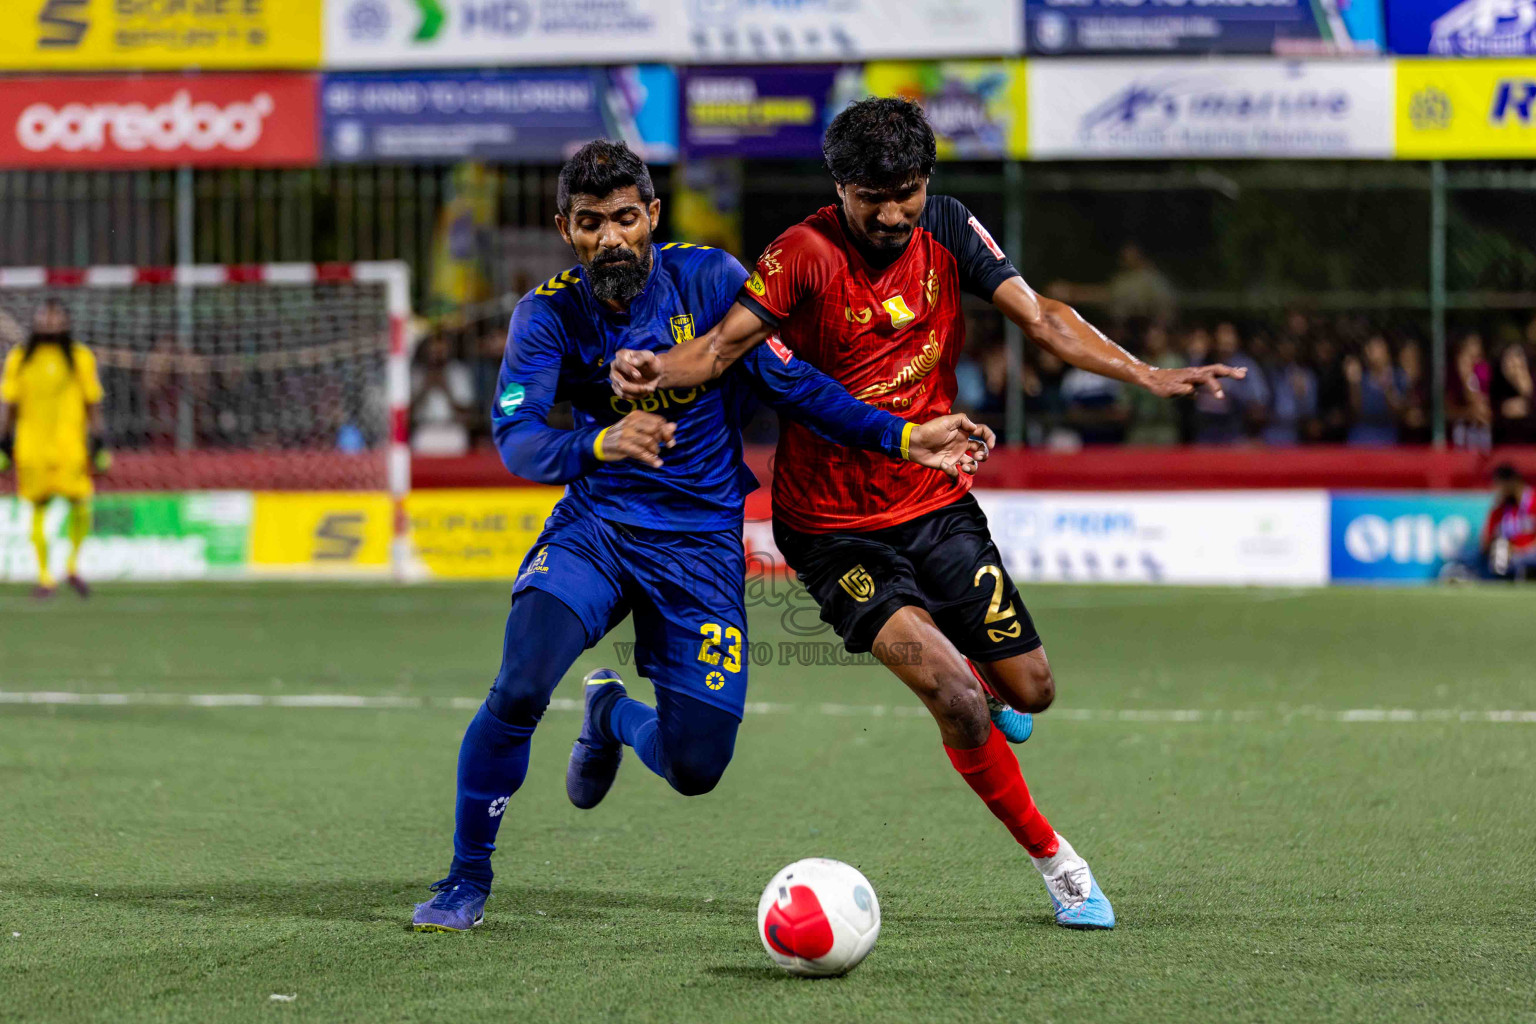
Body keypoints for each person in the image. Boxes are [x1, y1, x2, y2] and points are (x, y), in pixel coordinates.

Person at [612, 98, 1246, 930]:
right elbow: (724, 346)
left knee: (1034, 689)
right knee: (957, 696)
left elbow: (1042, 315)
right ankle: (1059, 864)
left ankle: (993, 687)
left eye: (905, 191)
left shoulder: (947, 226)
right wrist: (655, 369)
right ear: (839, 187)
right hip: (832, 528)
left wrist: (1149, 374)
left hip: (936, 504)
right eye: (870, 196)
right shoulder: (802, 253)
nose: (890, 212)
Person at [409, 140, 991, 933]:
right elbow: (516, 442)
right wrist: (597, 445)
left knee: (696, 766)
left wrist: (902, 436)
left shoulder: (712, 281)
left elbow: (793, 383)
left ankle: (612, 714)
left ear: (651, 215)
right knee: (518, 685)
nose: (609, 237)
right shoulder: (545, 315)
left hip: (702, 548)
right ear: (565, 229)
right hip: (598, 530)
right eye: (589, 224)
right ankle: (465, 879)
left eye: (623, 218)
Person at [0, 300, 110, 598]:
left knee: (82, 503)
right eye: (44, 317)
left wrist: (99, 441)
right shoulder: (20, 358)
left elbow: (92, 402)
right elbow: (9, 404)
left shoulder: (80, 358)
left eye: (55, 317)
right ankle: (45, 576)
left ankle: (72, 566)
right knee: (37, 507)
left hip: (70, 447)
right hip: (32, 447)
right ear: (35, 321)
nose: (50, 323)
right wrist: (3, 443)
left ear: (65, 322)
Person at [1345, 335, 1408, 446]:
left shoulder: (1398, 376)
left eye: (1377, 349)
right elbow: (1356, 411)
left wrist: (1386, 383)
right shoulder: (1362, 378)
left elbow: (1398, 412)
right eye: (1370, 350)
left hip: (1387, 433)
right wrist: (1353, 384)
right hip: (1362, 433)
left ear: (1386, 352)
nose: (1373, 354)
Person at [1480, 464, 1536, 580]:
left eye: (1499, 485)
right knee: (1499, 552)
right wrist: (1502, 546)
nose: (1497, 490)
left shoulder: (1533, 501)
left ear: (1511, 482)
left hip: (1530, 554)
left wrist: (1520, 550)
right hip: (1510, 558)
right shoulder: (1500, 510)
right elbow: (1485, 543)